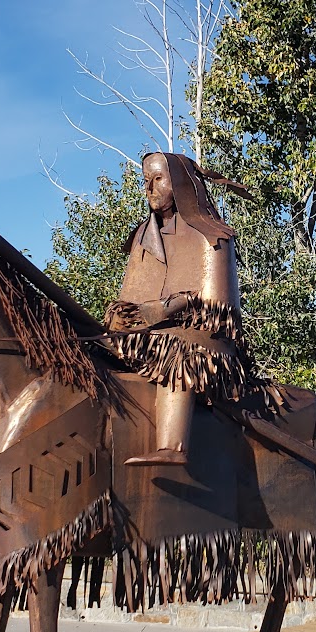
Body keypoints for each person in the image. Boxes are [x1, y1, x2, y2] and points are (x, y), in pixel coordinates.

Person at [104, 151, 264, 466]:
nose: (149, 188)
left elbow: (221, 309)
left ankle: (172, 446)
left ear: (178, 182)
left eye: (158, 178)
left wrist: (171, 307)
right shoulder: (142, 238)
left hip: (204, 339)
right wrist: (121, 316)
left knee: (176, 354)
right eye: (145, 180)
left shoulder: (213, 235)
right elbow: (130, 297)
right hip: (149, 332)